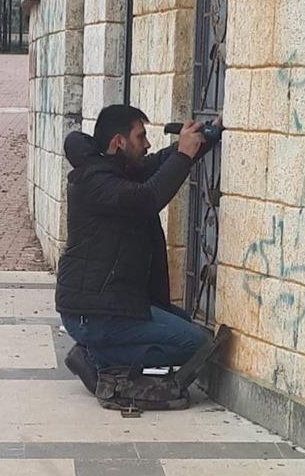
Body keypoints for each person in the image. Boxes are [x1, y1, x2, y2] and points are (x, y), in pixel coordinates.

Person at [55, 104, 221, 394]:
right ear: (119, 142)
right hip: (93, 311)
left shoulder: (117, 169)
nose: (147, 144)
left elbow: (158, 164)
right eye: (140, 137)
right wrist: (183, 154)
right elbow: (148, 198)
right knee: (196, 345)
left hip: (112, 301)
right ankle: (95, 356)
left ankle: (100, 350)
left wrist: (202, 140)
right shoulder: (95, 183)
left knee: (191, 329)